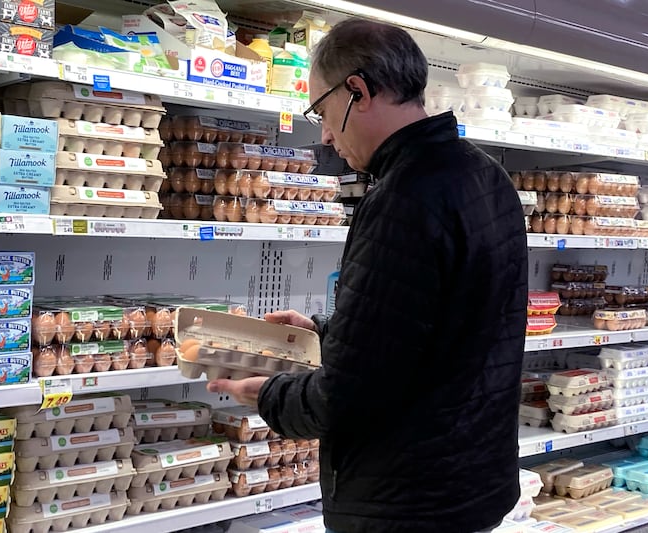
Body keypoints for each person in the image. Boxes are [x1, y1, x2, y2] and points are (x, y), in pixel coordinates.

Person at [208, 17, 528, 533]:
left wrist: (266, 394)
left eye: (323, 112)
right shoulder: (485, 175)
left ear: (357, 89)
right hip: (472, 481)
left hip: (405, 500)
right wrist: (326, 334)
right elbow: (440, 330)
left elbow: (356, 393)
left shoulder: (404, 197)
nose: (328, 135)